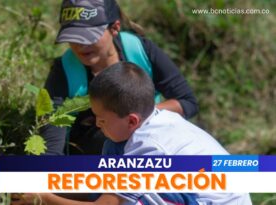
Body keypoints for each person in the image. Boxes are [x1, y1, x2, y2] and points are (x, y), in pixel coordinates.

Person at [13, 62, 252, 205]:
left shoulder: (150, 147)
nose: (97, 124)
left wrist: (42, 198)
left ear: (132, 120)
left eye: (103, 119)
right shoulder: (141, 127)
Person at [42, 0, 198, 155]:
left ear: (115, 28)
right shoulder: (64, 71)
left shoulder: (140, 50)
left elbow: (187, 102)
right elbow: (52, 142)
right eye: (74, 37)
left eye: (89, 37)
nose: (80, 45)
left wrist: (137, 117)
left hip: (152, 134)